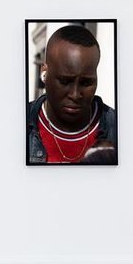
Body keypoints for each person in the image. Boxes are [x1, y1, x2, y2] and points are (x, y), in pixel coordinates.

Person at [27, 24, 117, 164]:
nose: (75, 95)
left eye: (86, 83)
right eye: (64, 81)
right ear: (44, 73)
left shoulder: (117, 128)